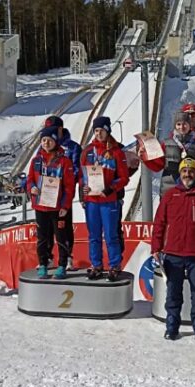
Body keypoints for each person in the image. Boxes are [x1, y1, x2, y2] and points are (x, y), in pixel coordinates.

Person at [151, 158, 195, 341]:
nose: (187, 174)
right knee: (173, 293)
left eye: (191, 171)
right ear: (179, 174)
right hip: (173, 254)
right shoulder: (171, 195)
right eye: (184, 171)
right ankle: (172, 327)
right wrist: (156, 247)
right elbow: (160, 223)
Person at [80, 116, 130, 281]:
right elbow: (81, 175)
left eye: (101, 130)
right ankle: (96, 265)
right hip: (92, 201)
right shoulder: (88, 151)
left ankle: (114, 265)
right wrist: (84, 187)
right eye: (96, 131)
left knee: (111, 235)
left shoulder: (116, 152)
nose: (99, 133)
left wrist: (110, 189)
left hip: (109, 201)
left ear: (108, 131)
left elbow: (124, 178)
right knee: (94, 235)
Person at [26, 126, 75, 279]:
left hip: (57, 207)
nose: (46, 143)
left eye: (49, 140)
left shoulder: (64, 161)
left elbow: (69, 186)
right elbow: (29, 180)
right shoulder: (36, 161)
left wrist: (65, 206)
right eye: (43, 140)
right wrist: (32, 188)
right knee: (42, 237)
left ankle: (62, 265)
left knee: (61, 237)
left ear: (55, 141)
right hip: (41, 206)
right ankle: (43, 263)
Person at [140, 110, 195, 195]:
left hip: (192, 190)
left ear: (189, 125)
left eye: (185, 124)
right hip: (169, 189)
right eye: (179, 124)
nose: (182, 127)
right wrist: (145, 156)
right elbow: (158, 165)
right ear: (175, 126)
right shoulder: (166, 144)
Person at [43, 115, 82, 270]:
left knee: (64, 227)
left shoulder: (72, 148)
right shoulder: (44, 147)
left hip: (63, 194)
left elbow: (78, 170)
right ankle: (48, 257)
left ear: (59, 129)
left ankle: (67, 257)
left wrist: (65, 177)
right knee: (46, 229)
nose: (48, 134)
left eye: (51, 130)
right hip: (47, 195)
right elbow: (37, 167)